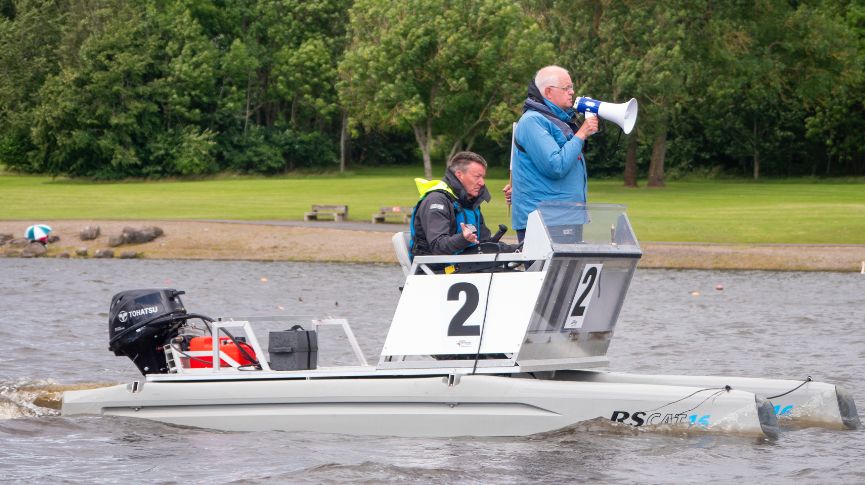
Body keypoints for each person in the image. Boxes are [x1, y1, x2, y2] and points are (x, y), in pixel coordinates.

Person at [504, 65, 599, 242]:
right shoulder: (532, 121)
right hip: (546, 221)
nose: (572, 92)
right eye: (566, 88)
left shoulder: (556, 120)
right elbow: (556, 166)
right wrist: (581, 134)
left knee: (568, 271)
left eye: (571, 87)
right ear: (548, 92)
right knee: (551, 271)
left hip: (563, 218)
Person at [411, 151, 492, 258]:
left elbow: (483, 242)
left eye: (483, 177)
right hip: (438, 269)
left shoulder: (470, 202)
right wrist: (463, 239)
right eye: (477, 176)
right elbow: (437, 246)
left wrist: (513, 248)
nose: (482, 183)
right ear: (459, 175)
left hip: (467, 264)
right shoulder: (437, 200)